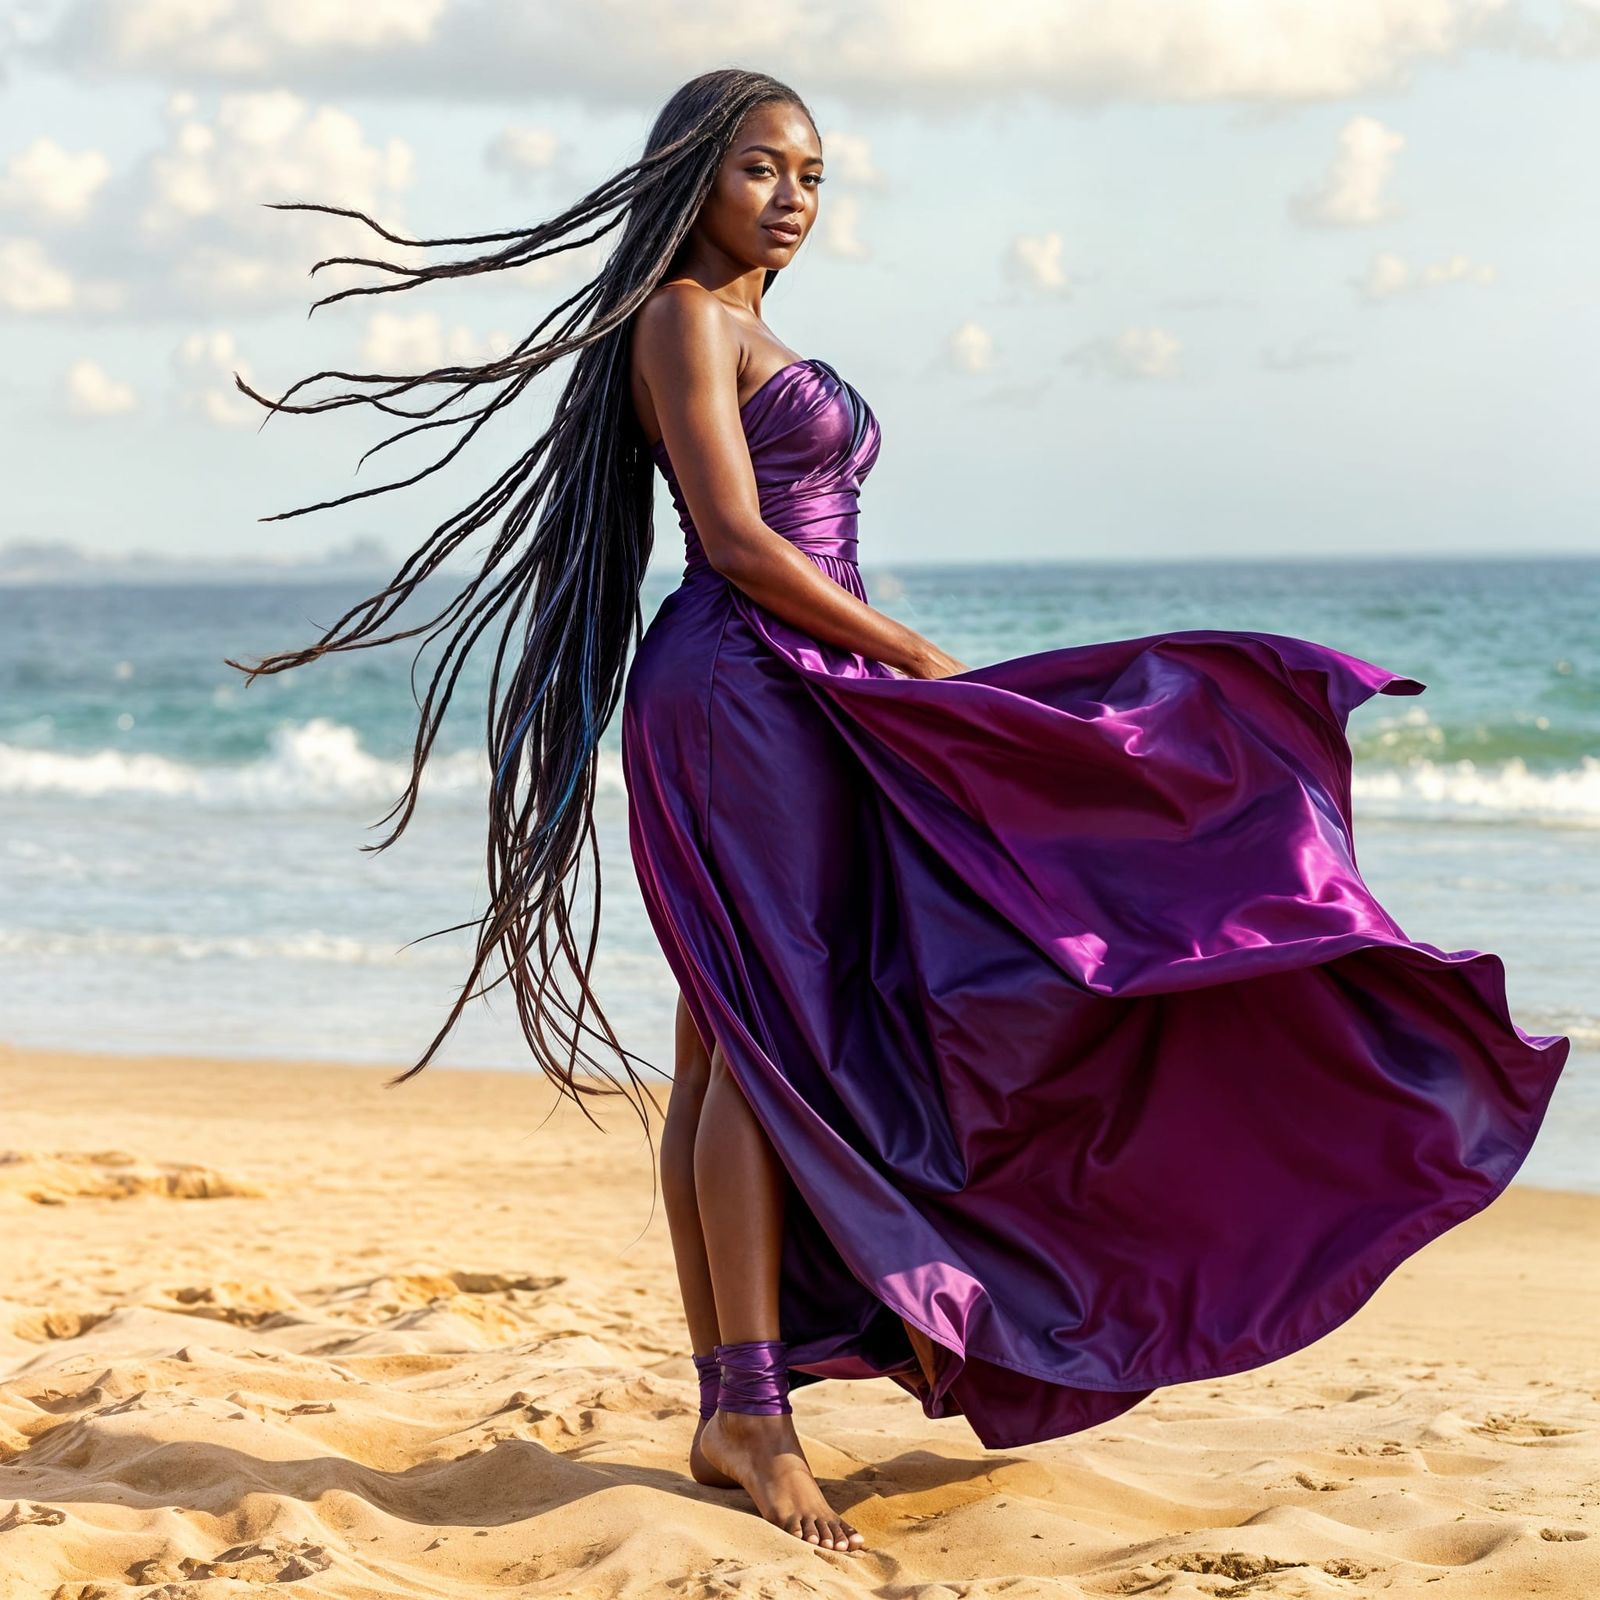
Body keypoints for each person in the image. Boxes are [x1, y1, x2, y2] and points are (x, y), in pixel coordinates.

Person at [229, 69, 1570, 1559]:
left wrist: (884, 656)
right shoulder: (683, 316)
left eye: (814, 173)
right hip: (743, 688)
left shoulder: (760, 329)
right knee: (760, 1031)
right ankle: (748, 1410)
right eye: (762, 168)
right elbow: (734, 538)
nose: (794, 196)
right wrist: (922, 659)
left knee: (733, 1034)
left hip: (798, 678)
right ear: (693, 174)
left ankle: (736, 1399)